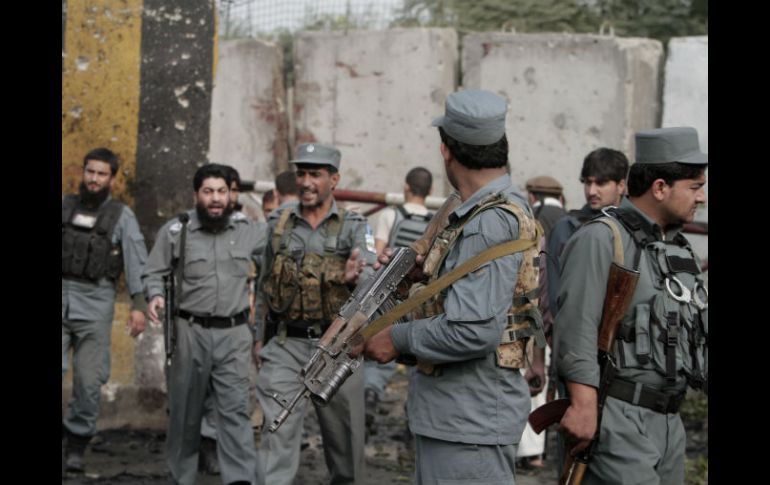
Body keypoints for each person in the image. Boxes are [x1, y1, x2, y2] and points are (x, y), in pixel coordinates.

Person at [362, 89, 543, 484]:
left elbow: (473, 330)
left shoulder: (488, 221)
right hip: (459, 417)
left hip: (469, 421)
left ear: (446, 150)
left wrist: (397, 337)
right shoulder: (478, 211)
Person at [554, 127, 708, 484]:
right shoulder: (602, 238)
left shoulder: (678, 248)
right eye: (695, 187)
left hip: (670, 423)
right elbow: (575, 328)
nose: (700, 198)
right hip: (619, 418)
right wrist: (582, 404)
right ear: (659, 187)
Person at [255, 143, 376, 485]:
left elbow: (371, 277)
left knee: (346, 447)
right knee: (275, 434)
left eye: (315, 174)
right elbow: (264, 283)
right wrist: (257, 339)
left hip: (337, 349)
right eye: (302, 174)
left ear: (334, 179)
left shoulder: (356, 225)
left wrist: (355, 278)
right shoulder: (279, 222)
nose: (306, 182)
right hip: (284, 343)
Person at [142, 163, 266, 485]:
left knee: (236, 412)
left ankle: (240, 479)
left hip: (235, 334)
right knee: (184, 414)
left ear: (230, 195)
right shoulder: (176, 231)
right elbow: (153, 271)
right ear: (196, 194)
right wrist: (155, 295)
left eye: (221, 192)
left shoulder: (248, 230)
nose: (215, 199)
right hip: (189, 333)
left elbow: (275, 266)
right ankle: (181, 477)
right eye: (208, 191)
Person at [62, 148, 149, 474]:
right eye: (90, 172)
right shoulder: (65, 206)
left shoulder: (121, 216)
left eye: (101, 174)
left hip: (95, 302)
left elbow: (137, 261)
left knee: (87, 381)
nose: (94, 179)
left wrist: (139, 306)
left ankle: (77, 444)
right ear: (82, 173)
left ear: (111, 179)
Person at [364, 166, 433, 435]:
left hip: (392, 298)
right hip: (423, 301)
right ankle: (412, 419)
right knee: (419, 358)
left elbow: (377, 257)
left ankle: (370, 396)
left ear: (406, 187)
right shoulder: (434, 222)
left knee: (379, 355)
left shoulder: (391, 214)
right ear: (428, 192)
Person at [516, 174, 568, 470]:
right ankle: (538, 453)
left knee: (532, 381)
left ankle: (527, 450)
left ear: (533, 196)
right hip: (565, 316)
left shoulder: (533, 218)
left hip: (535, 313)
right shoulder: (571, 219)